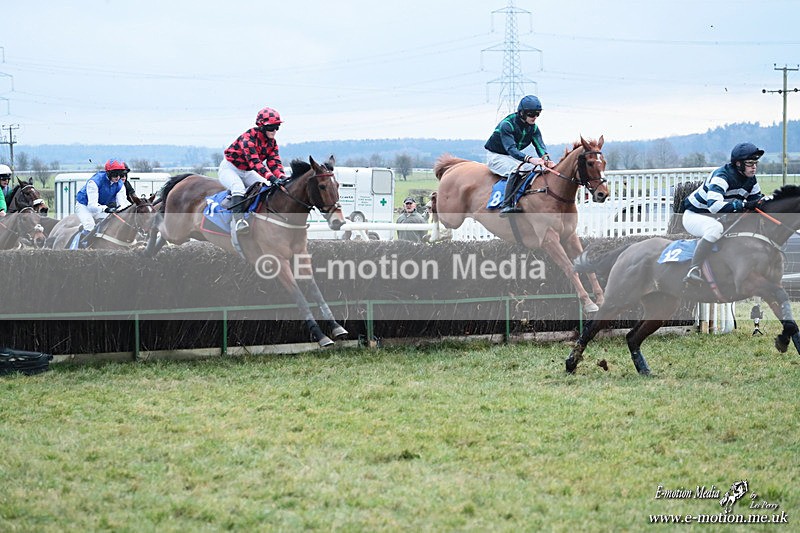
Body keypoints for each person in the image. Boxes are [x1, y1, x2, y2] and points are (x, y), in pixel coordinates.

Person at [681, 142, 765, 283]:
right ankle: (693, 269)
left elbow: (757, 203)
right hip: (696, 215)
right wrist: (743, 205)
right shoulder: (722, 175)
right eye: (750, 163)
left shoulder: (751, 180)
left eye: (755, 163)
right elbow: (714, 206)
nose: (754, 167)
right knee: (715, 229)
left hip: (717, 217)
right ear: (738, 164)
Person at [218, 106, 287, 235]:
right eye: (271, 127)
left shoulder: (272, 143)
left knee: (266, 186)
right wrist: (272, 177)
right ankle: (238, 222)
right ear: (261, 126)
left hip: (247, 171)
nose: (274, 131)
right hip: (230, 168)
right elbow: (255, 163)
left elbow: (274, 163)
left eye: (277, 127)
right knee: (238, 187)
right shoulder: (248, 139)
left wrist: (282, 177)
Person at [484, 95, 557, 216]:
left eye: (537, 114)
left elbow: (540, 146)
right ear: (522, 113)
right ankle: (506, 205)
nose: (535, 117)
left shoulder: (533, 128)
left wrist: (546, 160)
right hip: (496, 155)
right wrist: (530, 159)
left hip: (512, 157)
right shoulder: (507, 124)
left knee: (539, 169)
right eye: (531, 114)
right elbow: (511, 149)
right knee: (515, 170)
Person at [74, 159, 131, 247]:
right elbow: (92, 206)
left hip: (100, 207)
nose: (118, 177)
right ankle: (80, 249)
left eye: (120, 174)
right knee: (90, 225)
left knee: (109, 225)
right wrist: (106, 209)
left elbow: (122, 205)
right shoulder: (94, 182)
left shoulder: (120, 184)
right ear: (108, 173)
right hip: (84, 206)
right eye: (115, 174)